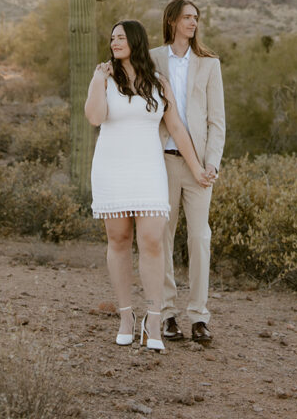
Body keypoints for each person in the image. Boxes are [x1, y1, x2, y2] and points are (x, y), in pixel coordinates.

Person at [85, 19, 210, 351]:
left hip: (148, 167)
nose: (114, 42)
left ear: (136, 41)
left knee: (153, 239)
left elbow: (178, 130)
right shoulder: (103, 77)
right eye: (111, 38)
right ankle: (126, 315)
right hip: (112, 167)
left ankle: (153, 318)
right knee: (119, 239)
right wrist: (99, 79)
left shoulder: (158, 83)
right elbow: (95, 117)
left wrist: (196, 168)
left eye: (121, 37)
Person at [150, 0, 225, 346]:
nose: (193, 23)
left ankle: (199, 316)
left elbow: (216, 121)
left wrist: (211, 163)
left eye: (196, 18)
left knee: (200, 238)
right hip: (163, 161)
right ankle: (166, 314)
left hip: (199, 168)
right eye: (187, 17)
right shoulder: (153, 59)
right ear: (172, 21)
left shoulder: (209, 64)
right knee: (163, 236)